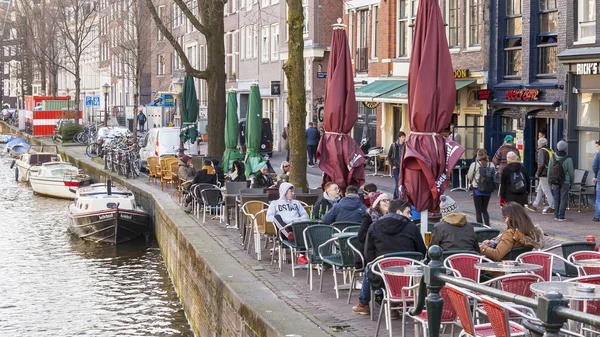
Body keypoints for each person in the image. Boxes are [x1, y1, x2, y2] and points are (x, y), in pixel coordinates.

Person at [352, 200, 426, 315]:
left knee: (369, 267)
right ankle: (394, 305)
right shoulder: (412, 227)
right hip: (408, 275)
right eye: (408, 212)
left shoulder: (374, 227)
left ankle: (364, 303)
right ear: (398, 212)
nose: (410, 215)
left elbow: (369, 253)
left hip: (382, 274)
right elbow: (421, 251)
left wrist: (375, 265)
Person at [479, 202, 544, 261]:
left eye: (504, 218)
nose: (505, 221)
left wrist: (483, 247)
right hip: (519, 267)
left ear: (509, 217)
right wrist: (493, 242)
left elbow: (497, 255)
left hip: (501, 268)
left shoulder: (510, 233)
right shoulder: (528, 231)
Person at [357, 193, 390, 267]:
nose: (387, 202)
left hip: (385, 251)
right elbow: (361, 236)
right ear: (377, 203)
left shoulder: (391, 218)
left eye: (388, 200)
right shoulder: (368, 217)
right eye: (384, 200)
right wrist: (374, 235)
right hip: (370, 254)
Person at [526, 138, 555, 214]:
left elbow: (541, 164)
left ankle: (553, 206)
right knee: (540, 189)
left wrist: (538, 173)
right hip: (550, 172)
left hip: (544, 173)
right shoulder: (550, 150)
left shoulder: (542, 151)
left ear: (539, 144)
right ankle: (535, 205)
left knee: (546, 190)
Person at [467, 148, 495, 226]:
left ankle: (480, 227)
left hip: (477, 189)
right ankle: (487, 226)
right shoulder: (491, 164)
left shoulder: (475, 164)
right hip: (488, 189)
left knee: (478, 211)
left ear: (477, 155)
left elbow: (469, 176)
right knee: (485, 210)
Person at [548, 140, 574, 222]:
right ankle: (561, 216)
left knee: (556, 198)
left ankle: (556, 215)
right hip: (565, 181)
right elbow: (571, 172)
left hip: (555, 180)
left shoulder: (553, 157)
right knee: (563, 198)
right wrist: (571, 182)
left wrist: (549, 182)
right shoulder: (568, 159)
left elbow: (549, 170)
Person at [387, 131, 406, 199]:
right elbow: (389, 156)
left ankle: (395, 196)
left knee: (400, 183)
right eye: (403, 137)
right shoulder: (393, 145)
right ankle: (397, 198)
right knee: (398, 182)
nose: (404, 138)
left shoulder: (406, 146)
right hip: (396, 167)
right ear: (399, 137)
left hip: (403, 167)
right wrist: (393, 165)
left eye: (404, 137)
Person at [592, 140, 600, 222]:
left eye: (597, 146)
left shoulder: (599, 154)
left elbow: (594, 165)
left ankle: (597, 216)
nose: (597, 148)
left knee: (598, 198)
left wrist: (596, 174)